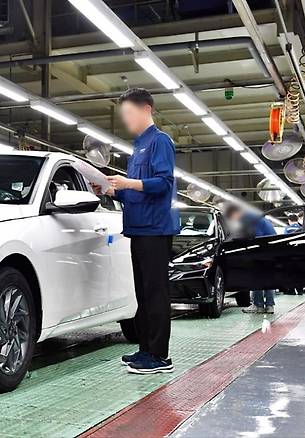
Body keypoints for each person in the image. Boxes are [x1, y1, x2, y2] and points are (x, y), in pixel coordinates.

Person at [93, 88, 179, 374]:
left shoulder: (160, 141)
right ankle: (145, 349)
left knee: (156, 293)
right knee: (143, 293)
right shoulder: (139, 146)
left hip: (155, 230)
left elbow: (164, 183)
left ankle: (160, 357)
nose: (127, 119)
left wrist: (128, 183)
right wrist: (111, 191)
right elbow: (137, 192)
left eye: (130, 113)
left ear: (146, 109)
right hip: (138, 229)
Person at [224, 204, 277, 313]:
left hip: (261, 250)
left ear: (234, 213)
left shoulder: (247, 218)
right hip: (272, 249)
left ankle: (258, 305)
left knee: (255, 277)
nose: (234, 220)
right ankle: (270, 306)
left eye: (232, 217)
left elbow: (255, 236)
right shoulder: (255, 215)